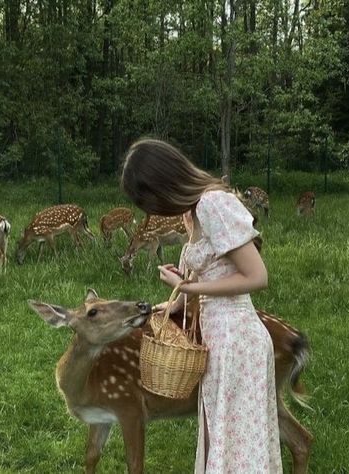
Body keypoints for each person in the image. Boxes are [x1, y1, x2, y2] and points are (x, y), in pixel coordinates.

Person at [121, 138, 282, 473]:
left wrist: (189, 285)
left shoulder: (212, 204)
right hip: (216, 338)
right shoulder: (193, 210)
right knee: (220, 438)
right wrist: (174, 299)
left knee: (237, 445)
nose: (153, 210)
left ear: (162, 184)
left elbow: (256, 276)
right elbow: (210, 274)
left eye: (150, 200)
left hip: (237, 340)